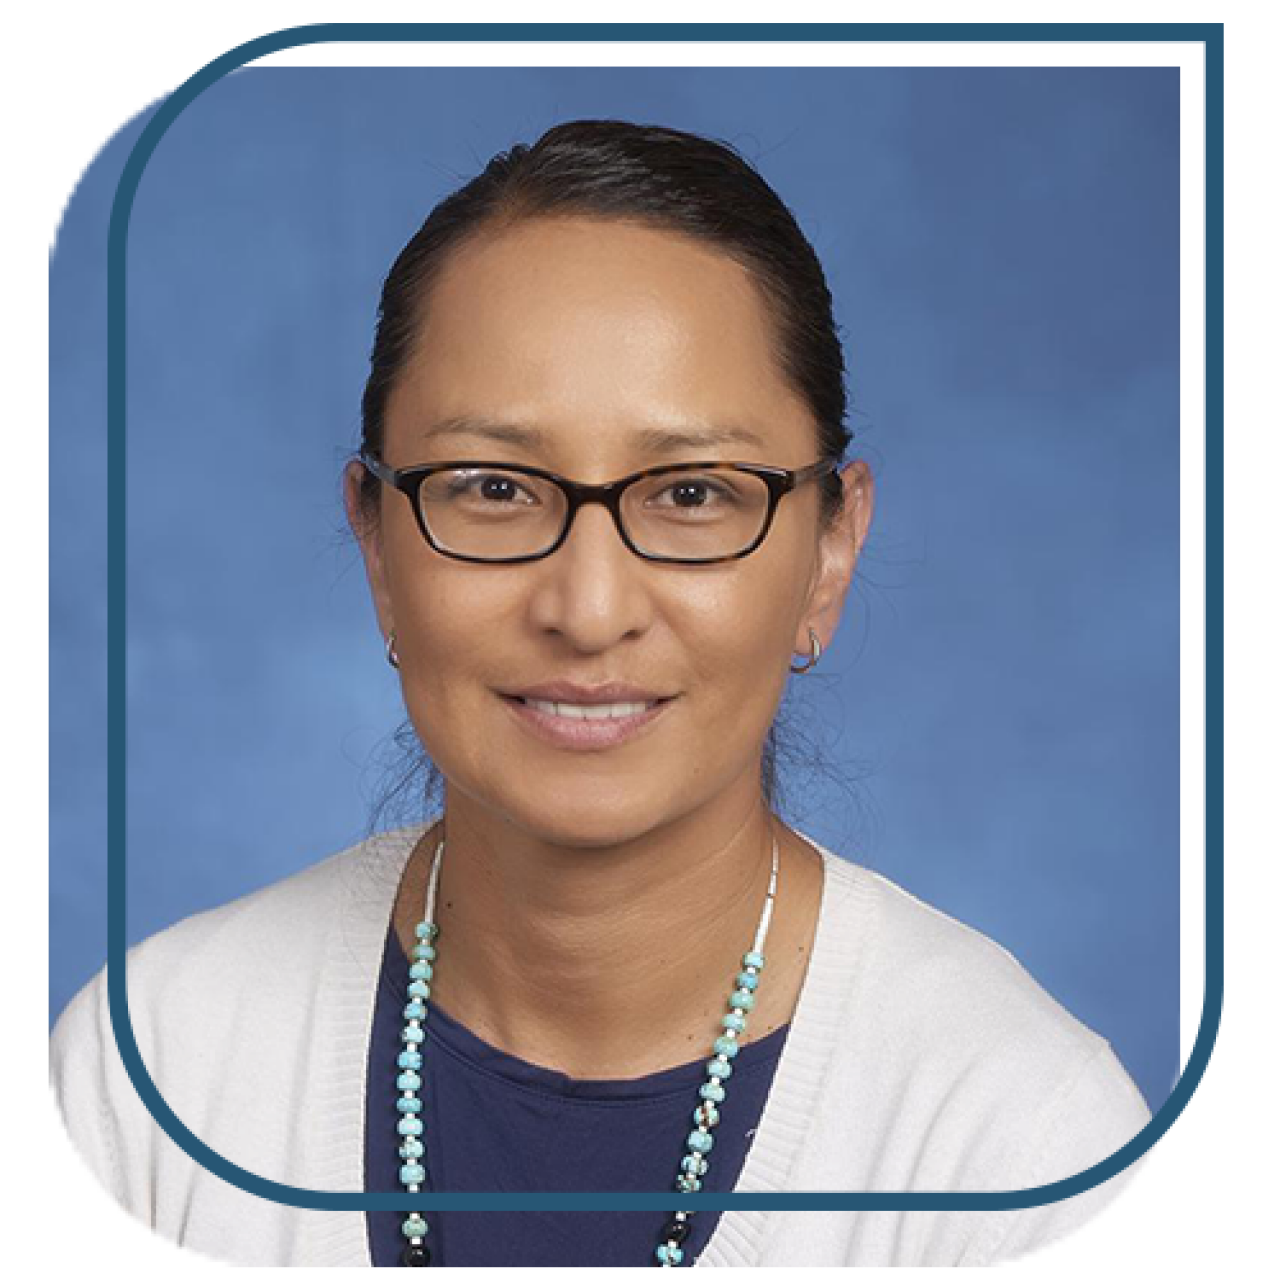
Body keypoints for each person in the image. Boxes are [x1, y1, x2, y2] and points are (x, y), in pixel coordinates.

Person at [49, 119, 1154, 1268]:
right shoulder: (152, 1082)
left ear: (828, 551)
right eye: (491, 486)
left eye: (689, 492)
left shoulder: (1020, 1148)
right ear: (377, 549)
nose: (586, 606)